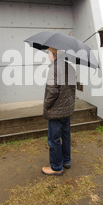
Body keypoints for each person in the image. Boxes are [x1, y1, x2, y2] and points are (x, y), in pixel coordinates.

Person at [42, 48, 77, 176]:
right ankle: (66, 161)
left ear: (54, 55)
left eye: (48, 53)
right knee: (65, 135)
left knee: (54, 139)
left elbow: (52, 91)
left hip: (56, 110)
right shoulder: (71, 68)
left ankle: (56, 167)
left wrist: (46, 105)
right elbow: (73, 90)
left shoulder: (54, 68)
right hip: (66, 110)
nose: (48, 56)